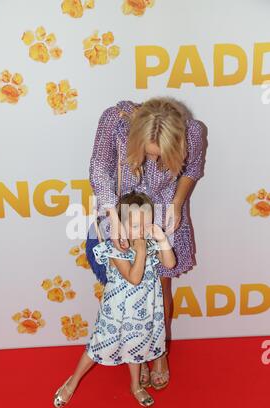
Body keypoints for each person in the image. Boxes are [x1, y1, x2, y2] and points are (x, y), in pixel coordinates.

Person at [88, 97, 205, 389]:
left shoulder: (192, 131)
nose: (153, 161)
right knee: (126, 285)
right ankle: (135, 354)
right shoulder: (114, 121)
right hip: (122, 212)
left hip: (163, 212)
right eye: (148, 154)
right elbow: (99, 168)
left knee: (161, 286)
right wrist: (113, 217)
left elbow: (191, 171)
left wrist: (177, 203)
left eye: (161, 157)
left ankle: (160, 351)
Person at [53, 191, 176, 408]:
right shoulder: (115, 249)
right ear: (121, 225)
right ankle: (71, 384)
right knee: (97, 347)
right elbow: (134, 278)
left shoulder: (149, 243)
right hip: (116, 314)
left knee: (136, 347)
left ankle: (136, 386)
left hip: (143, 312)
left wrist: (162, 240)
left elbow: (170, 264)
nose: (143, 231)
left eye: (147, 224)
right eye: (136, 226)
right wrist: (140, 251)